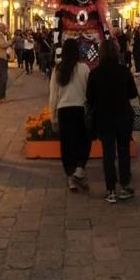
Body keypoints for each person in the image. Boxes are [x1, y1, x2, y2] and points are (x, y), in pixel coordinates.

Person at [86, 36, 138, 203]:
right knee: (123, 151)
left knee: (108, 153)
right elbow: (133, 93)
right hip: (123, 116)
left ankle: (110, 190)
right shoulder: (124, 71)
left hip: (104, 117)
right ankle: (124, 186)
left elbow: (90, 98)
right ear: (116, 52)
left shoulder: (95, 74)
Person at [49, 37, 91, 191]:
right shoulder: (84, 68)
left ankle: (71, 177)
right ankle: (79, 171)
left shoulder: (58, 69)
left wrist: (52, 116)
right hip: (80, 109)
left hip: (64, 111)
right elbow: (89, 91)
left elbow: (53, 95)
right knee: (84, 142)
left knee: (67, 145)